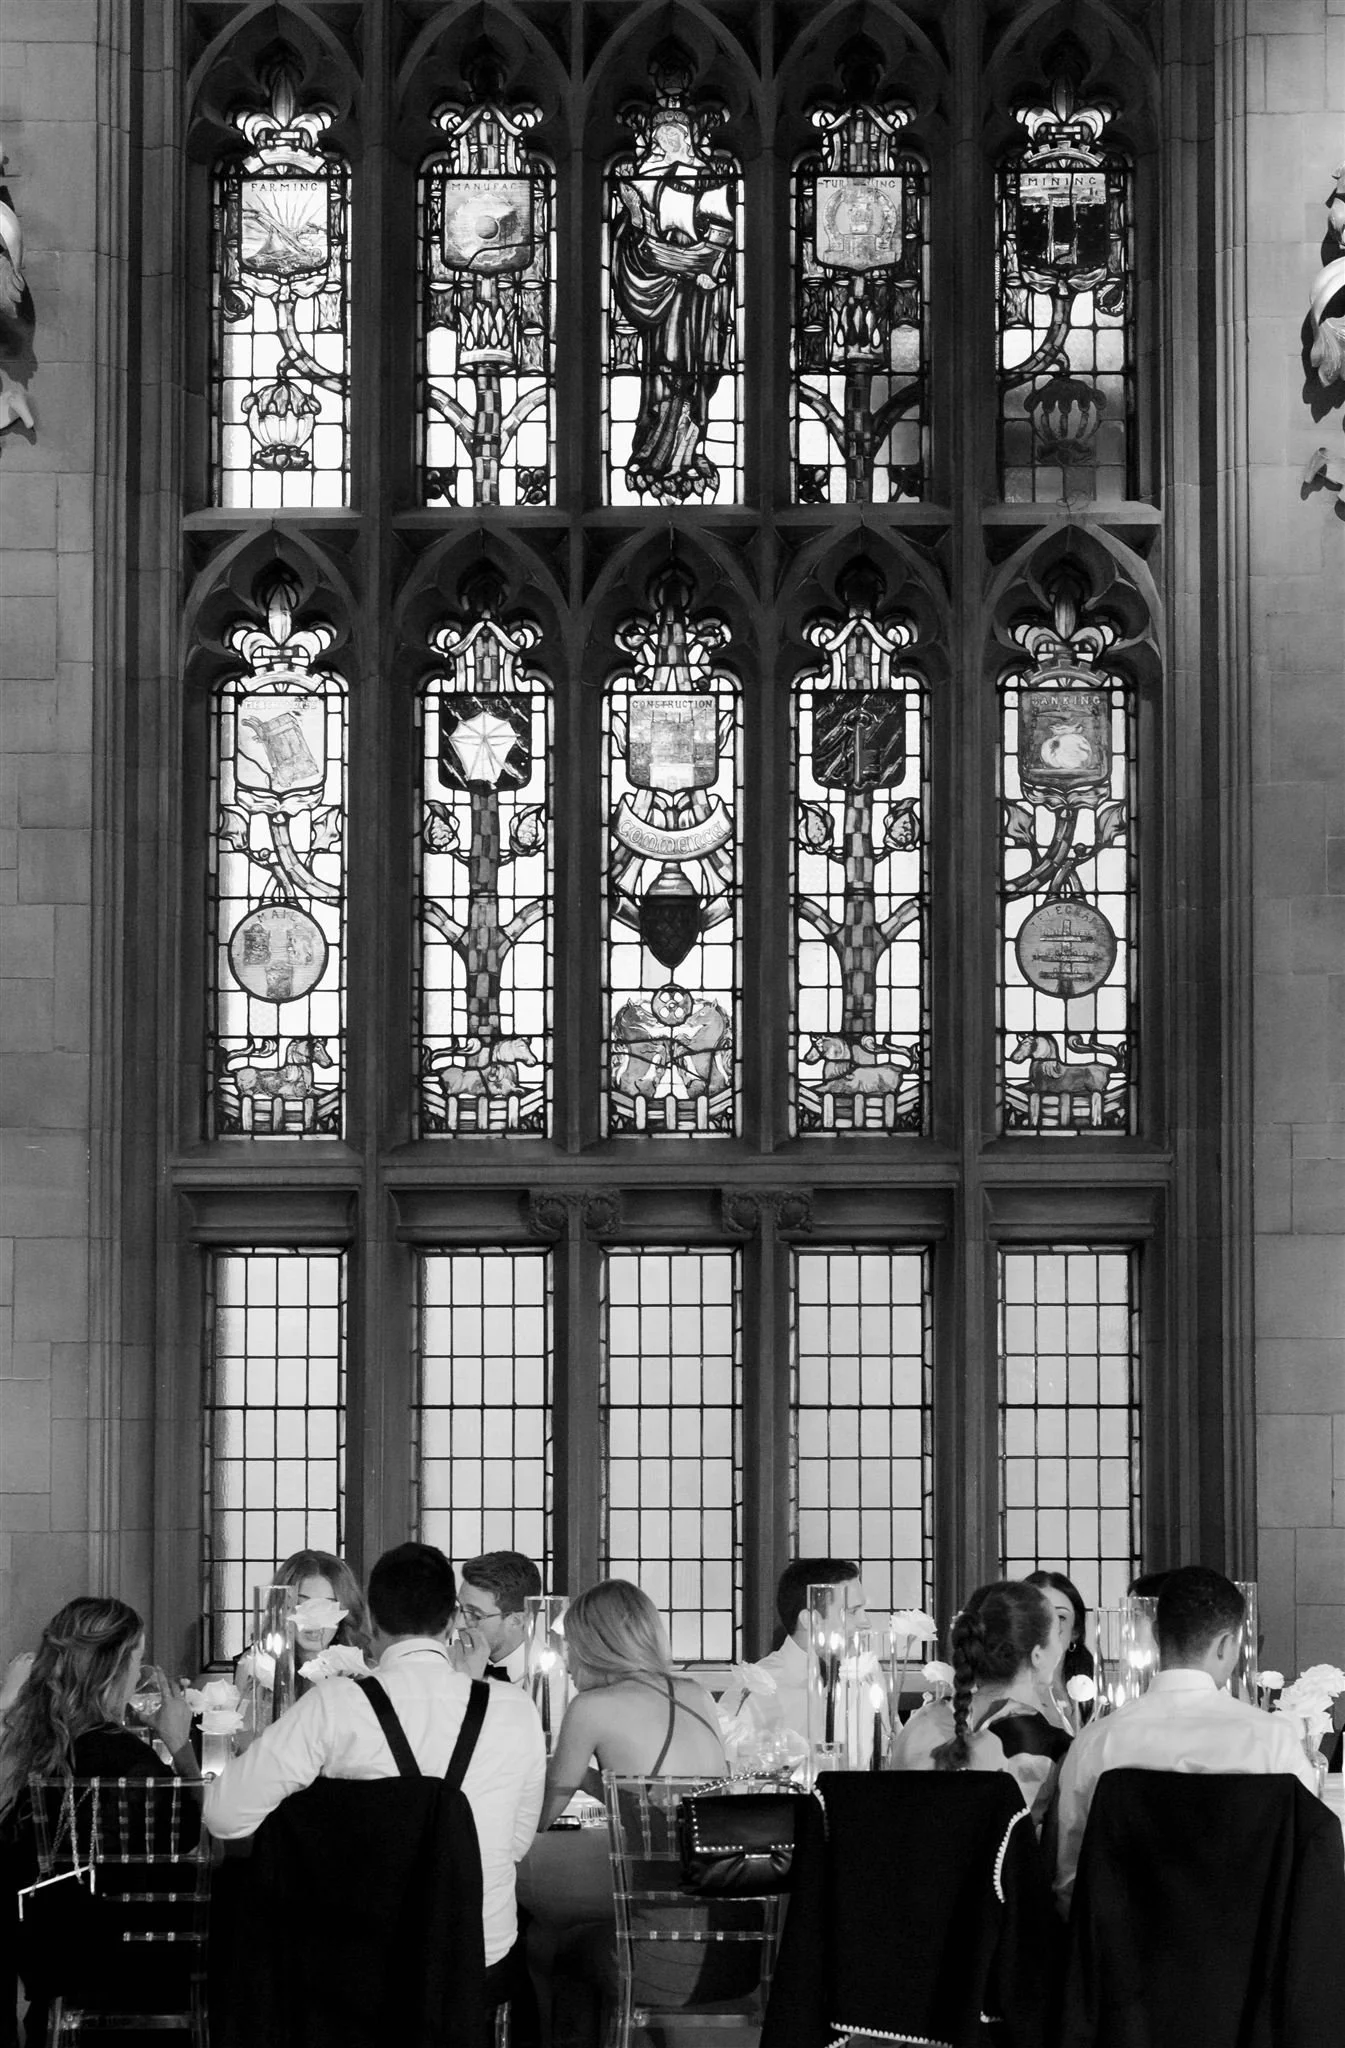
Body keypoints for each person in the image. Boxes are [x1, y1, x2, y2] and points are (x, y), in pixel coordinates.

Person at [205, 1541, 545, 1994]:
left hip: (358, 1962)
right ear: (450, 1620)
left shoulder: (334, 1704)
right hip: (476, 1957)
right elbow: (517, 1843)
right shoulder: (516, 1709)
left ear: (372, 1621)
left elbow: (223, 1815)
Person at [1053, 1565, 1320, 1911]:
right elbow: (1306, 1868)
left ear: (1155, 1634)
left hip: (1121, 1955)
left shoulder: (1096, 1742)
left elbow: (1069, 1880)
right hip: (1246, 1953)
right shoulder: (1273, 1741)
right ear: (1227, 1644)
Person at [0, 1598, 199, 2041]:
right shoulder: (133, 1764)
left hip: (54, 1963)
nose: (139, 1671)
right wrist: (180, 1747)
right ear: (115, 1667)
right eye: (138, 1658)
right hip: (145, 1965)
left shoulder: (36, 1753)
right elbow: (201, 1843)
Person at [538, 1579, 725, 1830]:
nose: (566, 1661)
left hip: (657, 1867)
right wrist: (588, 1779)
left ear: (596, 1646)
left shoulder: (590, 1708)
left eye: (570, 1646)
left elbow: (540, 1819)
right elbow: (671, 1809)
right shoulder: (698, 1694)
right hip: (722, 1860)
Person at [888, 1579, 1070, 1832]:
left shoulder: (918, 1725)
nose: (1061, 1647)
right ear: (1037, 1655)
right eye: (1057, 1635)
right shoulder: (1049, 1746)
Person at [718, 1558, 865, 1751]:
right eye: (852, 1612)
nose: (865, 1622)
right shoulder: (756, 1692)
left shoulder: (863, 1679)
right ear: (811, 1620)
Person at [452, 1550, 542, 1684]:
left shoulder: (553, 1682)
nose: (458, 1624)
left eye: (475, 1615)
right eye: (459, 1608)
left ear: (516, 1621)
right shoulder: (448, 1664)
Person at [1026, 1568, 1095, 1726]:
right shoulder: (1005, 1692)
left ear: (1075, 1631)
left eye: (1061, 1617)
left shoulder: (1095, 1691)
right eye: (1038, 1616)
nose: (1050, 1626)